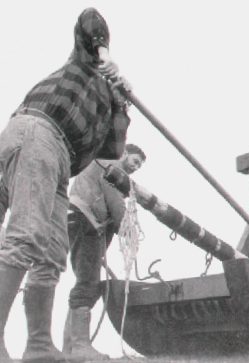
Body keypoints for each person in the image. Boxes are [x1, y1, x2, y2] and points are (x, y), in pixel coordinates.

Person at [0, 8, 131, 363]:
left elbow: (112, 150)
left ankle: (39, 347)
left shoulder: (108, 105)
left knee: (51, 254)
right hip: (38, 133)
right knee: (25, 238)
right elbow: (90, 20)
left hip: (60, 161)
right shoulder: (84, 65)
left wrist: (122, 100)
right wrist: (104, 55)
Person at [63, 144, 146, 361]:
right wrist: (128, 229)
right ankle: (80, 346)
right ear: (125, 153)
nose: (136, 167)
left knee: (85, 279)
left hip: (81, 220)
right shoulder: (111, 166)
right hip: (86, 221)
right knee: (88, 281)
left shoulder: (102, 164)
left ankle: (70, 347)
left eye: (139, 165)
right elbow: (115, 204)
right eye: (135, 161)